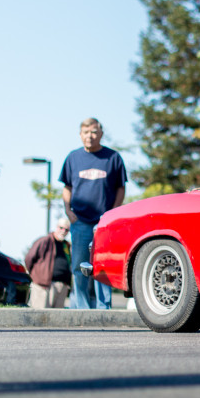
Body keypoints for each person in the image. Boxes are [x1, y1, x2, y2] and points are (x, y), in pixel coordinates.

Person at [60, 117, 126, 310]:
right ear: (81, 135)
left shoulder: (113, 158)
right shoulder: (73, 158)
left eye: (94, 132)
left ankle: (103, 309)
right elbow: (67, 187)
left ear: (101, 134)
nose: (90, 136)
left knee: (103, 266)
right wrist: (68, 211)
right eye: (86, 132)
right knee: (79, 266)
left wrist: (112, 213)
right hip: (79, 221)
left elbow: (121, 188)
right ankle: (80, 309)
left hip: (104, 223)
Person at [25, 217, 72, 308]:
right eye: (61, 228)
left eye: (66, 230)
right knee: (40, 316)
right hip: (44, 286)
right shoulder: (44, 241)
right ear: (56, 227)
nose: (63, 231)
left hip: (62, 286)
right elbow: (29, 258)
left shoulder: (66, 245)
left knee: (57, 319)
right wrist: (36, 276)